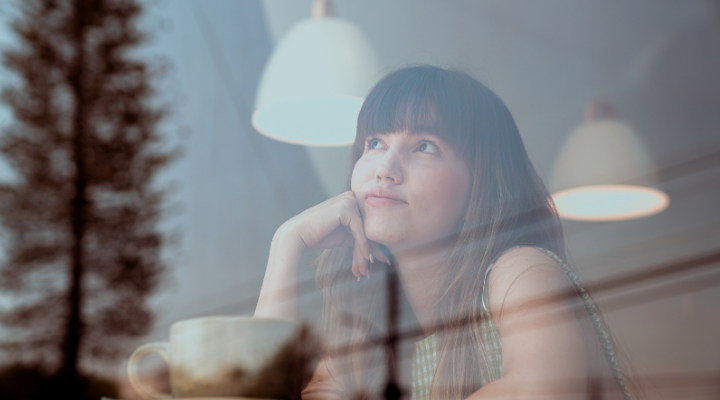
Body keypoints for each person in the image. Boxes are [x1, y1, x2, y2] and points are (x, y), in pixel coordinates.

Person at [255, 66, 636, 400]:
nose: (385, 168)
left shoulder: (520, 272)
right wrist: (286, 245)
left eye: (424, 146)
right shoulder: (369, 326)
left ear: (481, 179)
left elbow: (541, 390)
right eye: (374, 143)